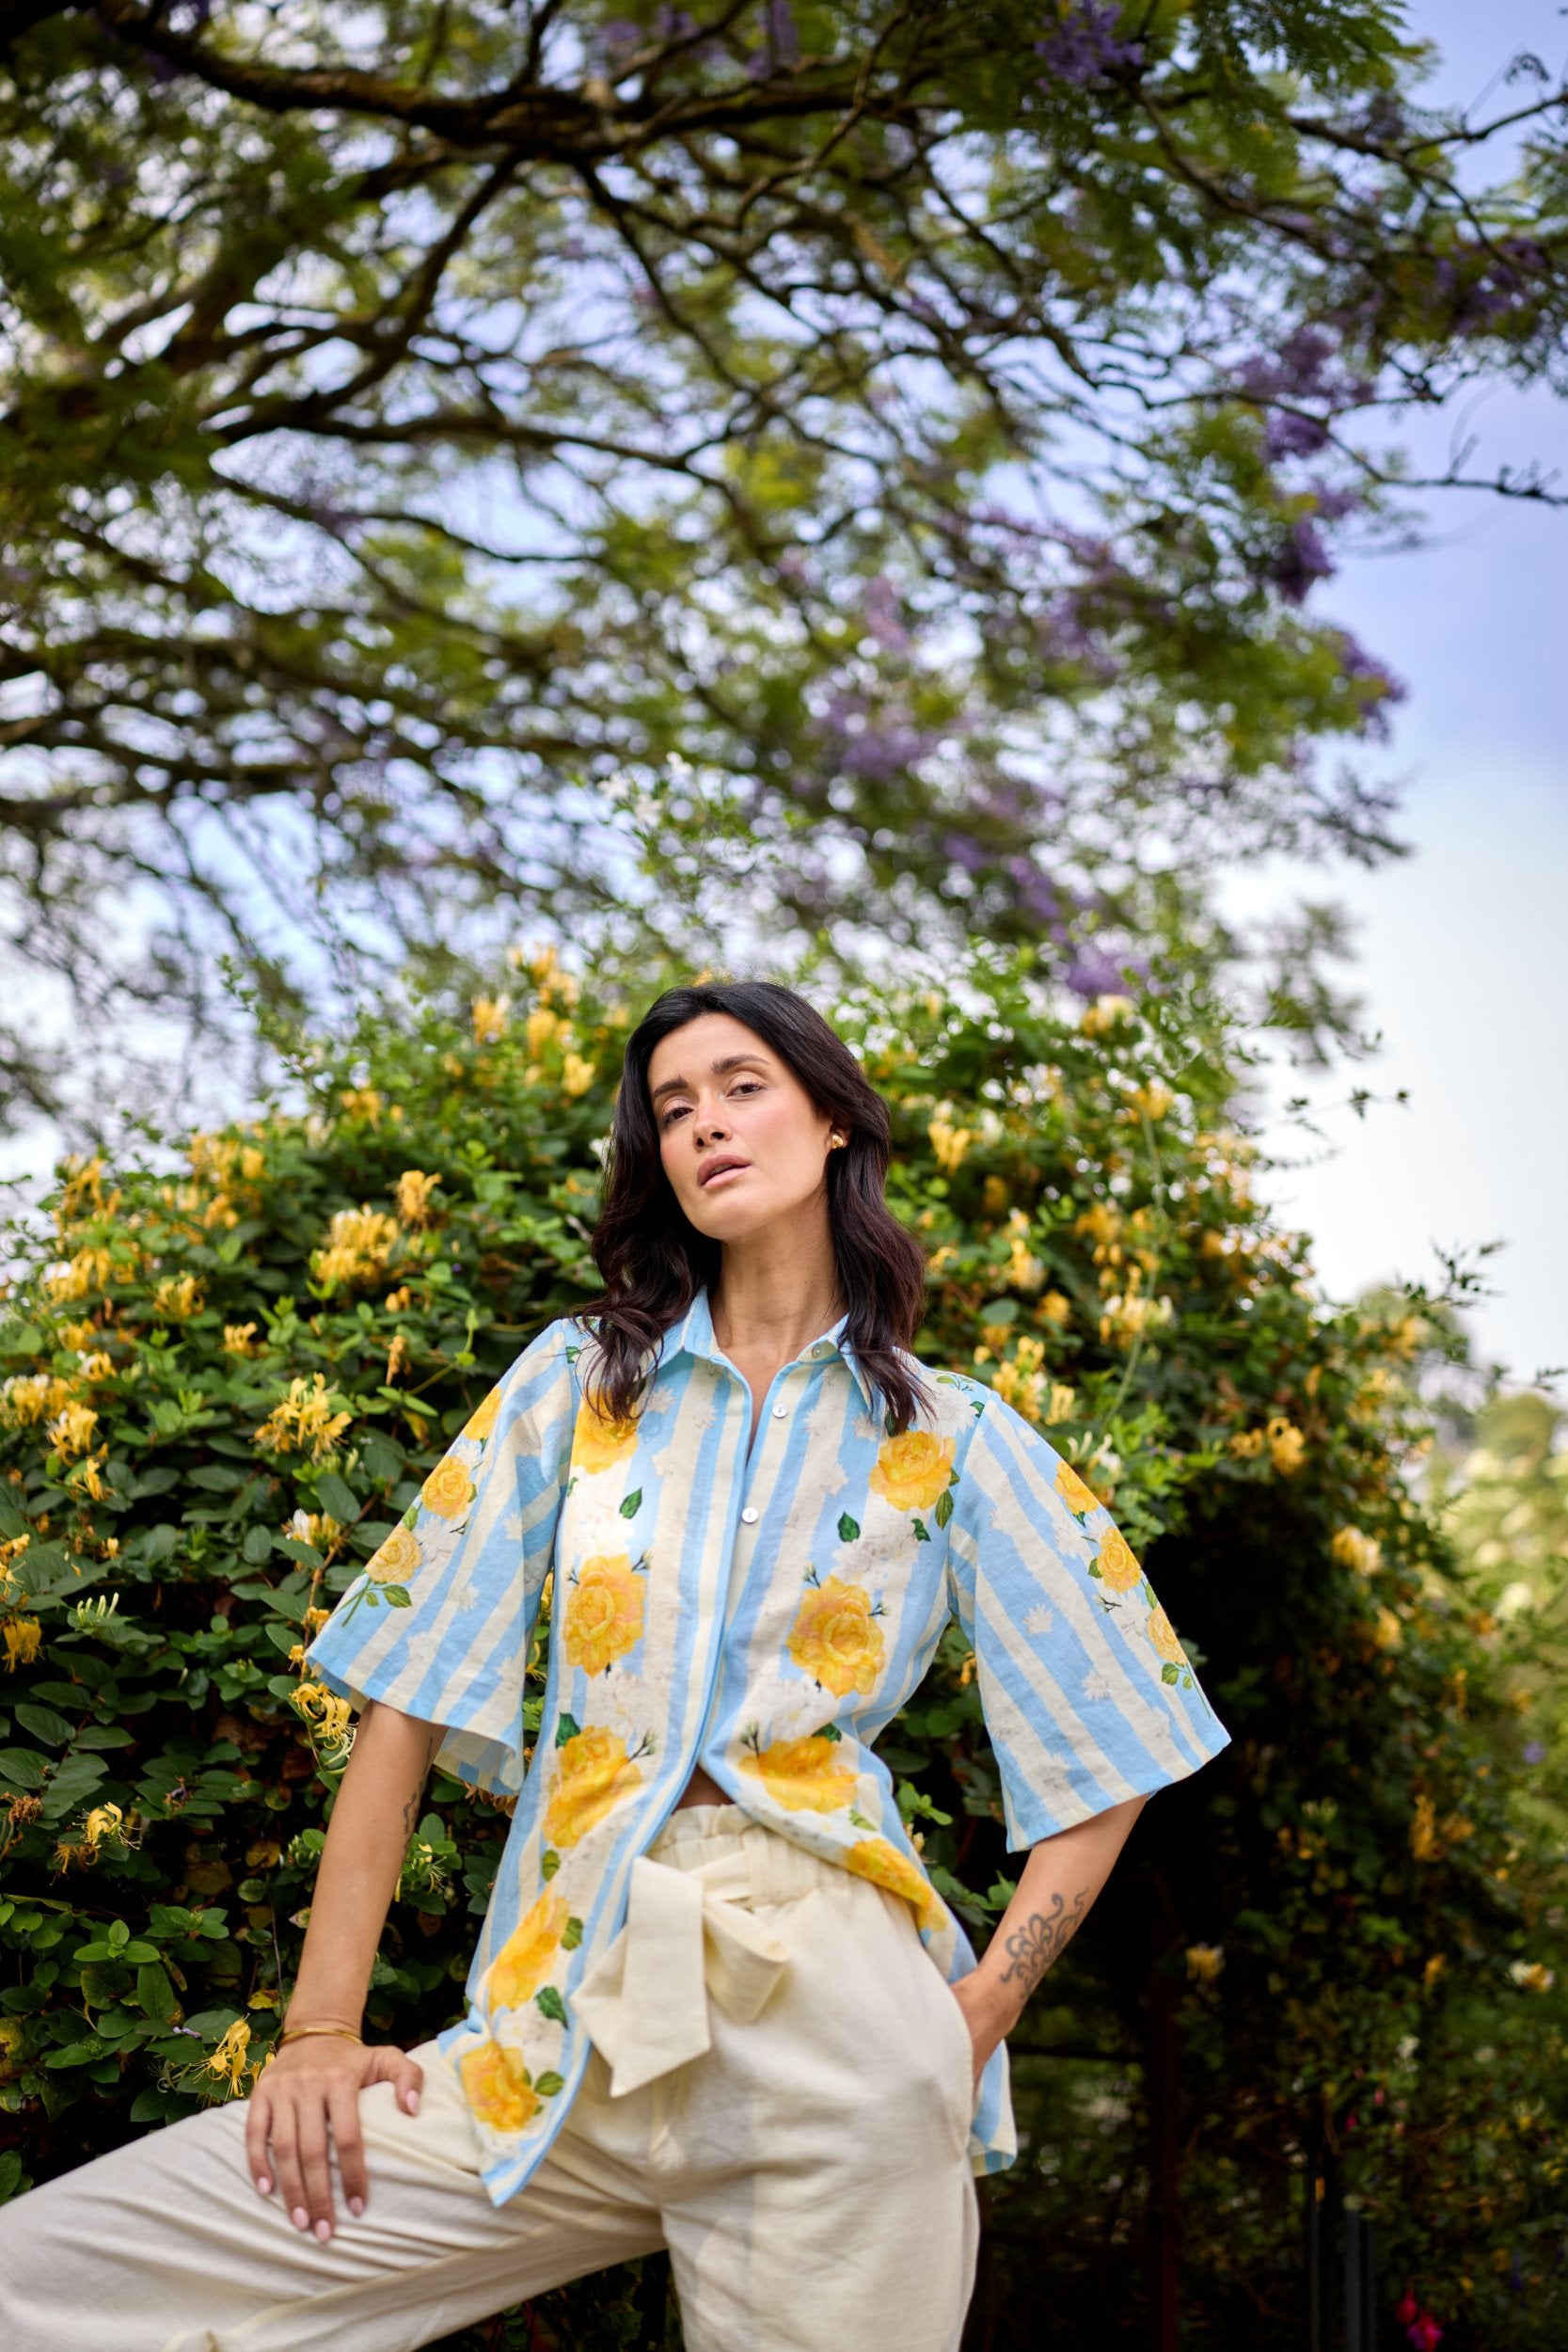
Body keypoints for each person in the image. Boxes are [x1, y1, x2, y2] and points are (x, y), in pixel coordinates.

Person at [0, 979, 1229, 2352]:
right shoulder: (575, 1385)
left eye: (742, 1084)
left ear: (832, 1119)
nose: (704, 1122)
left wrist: (981, 2010)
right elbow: (407, 1701)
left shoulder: (957, 1434)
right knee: (56, 2282)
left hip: (843, 2027)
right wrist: (317, 2037)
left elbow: (1114, 1733)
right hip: (567, 1999)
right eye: (673, 1107)